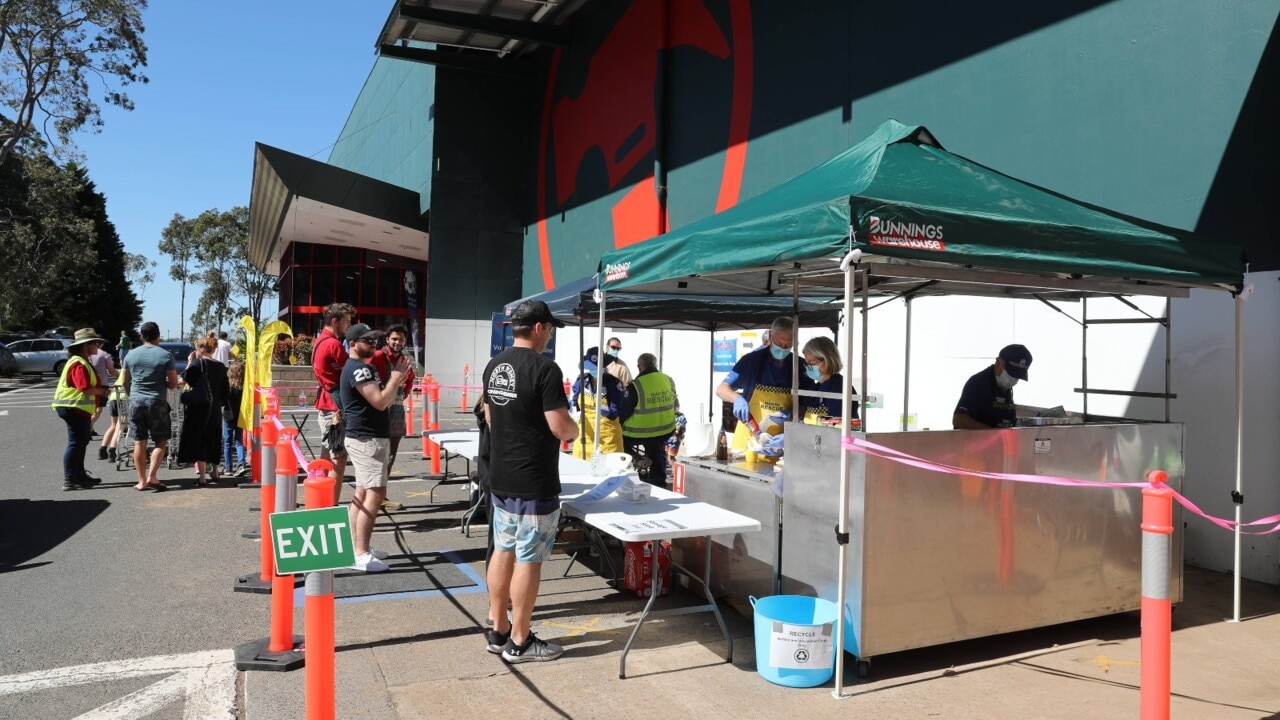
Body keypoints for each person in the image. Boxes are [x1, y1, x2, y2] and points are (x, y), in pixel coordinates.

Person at [482, 300, 577, 663]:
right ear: (539, 327)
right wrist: (575, 428)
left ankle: (499, 629)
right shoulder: (545, 369)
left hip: (502, 475)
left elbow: (490, 415)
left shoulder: (495, 365)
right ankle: (520, 641)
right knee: (529, 559)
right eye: (550, 328)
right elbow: (560, 427)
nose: (549, 335)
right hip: (534, 479)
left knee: (504, 549)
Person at [340, 323, 409, 573]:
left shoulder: (363, 368)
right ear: (352, 344)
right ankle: (360, 552)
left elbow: (385, 400)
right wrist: (395, 378)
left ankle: (356, 546)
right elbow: (380, 402)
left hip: (368, 437)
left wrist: (394, 382)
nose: (372, 344)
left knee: (362, 492)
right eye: (366, 341)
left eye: (373, 341)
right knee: (375, 494)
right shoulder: (360, 370)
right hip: (367, 439)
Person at [715, 316, 795, 450]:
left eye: (788, 345)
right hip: (749, 439)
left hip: (781, 443)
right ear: (770, 336)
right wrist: (737, 398)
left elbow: (807, 403)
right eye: (779, 343)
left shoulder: (798, 365)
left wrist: (792, 414)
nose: (783, 349)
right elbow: (721, 389)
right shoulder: (751, 361)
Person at [121, 321, 180, 491]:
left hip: (136, 400)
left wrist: (132, 393)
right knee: (161, 441)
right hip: (156, 401)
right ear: (158, 336)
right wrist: (165, 384)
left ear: (141, 336)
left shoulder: (130, 355)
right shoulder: (165, 355)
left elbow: (125, 380)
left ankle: (141, 481)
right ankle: (152, 476)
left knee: (139, 442)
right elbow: (173, 383)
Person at [51, 329, 110, 490]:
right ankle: (70, 479)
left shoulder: (82, 361)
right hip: (73, 407)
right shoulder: (78, 363)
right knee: (76, 443)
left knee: (81, 441)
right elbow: (84, 388)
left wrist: (101, 389)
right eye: (95, 343)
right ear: (86, 346)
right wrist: (103, 391)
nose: (98, 345)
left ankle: (79, 475)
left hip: (77, 408)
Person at [313, 302, 354, 505]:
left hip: (327, 405)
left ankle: (321, 502)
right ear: (335, 321)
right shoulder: (333, 344)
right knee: (338, 458)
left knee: (326, 457)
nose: (349, 325)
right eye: (347, 321)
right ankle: (331, 505)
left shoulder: (321, 341)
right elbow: (350, 372)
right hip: (334, 409)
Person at [177, 336, 229, 486]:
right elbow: (225, 390)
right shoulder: (221, 366)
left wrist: (188, 362)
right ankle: (216, 471)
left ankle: (202, 478)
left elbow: (186, 377)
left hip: (200, 407)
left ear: (201, 348)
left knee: (201, 439)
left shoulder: (198, 363)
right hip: (215, 409)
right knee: (214, 437)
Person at [622, 353, 678, 486]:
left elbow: (624, 411)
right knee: (656, 447)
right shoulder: (668, 380)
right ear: (655, 365)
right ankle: (658, 479)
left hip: (639, 433)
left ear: (639, 367)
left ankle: (638, 458)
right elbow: (674, 403)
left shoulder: (635, 385)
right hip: (665, 430)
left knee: (616, 439)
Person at [569, 346, 632, 460]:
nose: (596, 369)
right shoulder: (581, 381)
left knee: (608, 470)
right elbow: (574, 401)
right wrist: (574, 413)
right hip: (585, 435)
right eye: (593, 367)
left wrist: (600, 408)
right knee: (582, 468)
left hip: (607, 436)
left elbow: (614, 411)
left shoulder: (613, 383)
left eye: (598, 367)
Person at [370, 323, 416, 475]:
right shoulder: (376, 357)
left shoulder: (406, 362)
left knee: (390, 457)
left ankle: (382, 495)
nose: (398, 342)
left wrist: (400, 396)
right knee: (375, 457)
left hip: (397, 414)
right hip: (377, 414)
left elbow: (409, 384)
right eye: (394, 339)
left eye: (401, 339)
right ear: (387, 339)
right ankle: (371, 495)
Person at [953, 344, 1033, 429]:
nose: (1013, 379)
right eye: (1011, 374)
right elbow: (959, 419)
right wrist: (990, 433)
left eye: (1017, 376)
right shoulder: (978, 383)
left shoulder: (1006, 389)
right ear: (998, 363)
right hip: (976, 440)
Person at [799, 336, 858, 424]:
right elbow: (803, 414)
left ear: (827, 360)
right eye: (807, 364)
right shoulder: (816, 387)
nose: (808, 367)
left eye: (812, 363)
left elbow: (839, 422)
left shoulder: (840, 387)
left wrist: (808, 423)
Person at [88, 341, 118, 441]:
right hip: (101, 384)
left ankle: (91, 428)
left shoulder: (84, 355)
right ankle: (89, 426)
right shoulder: (104, 355)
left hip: (88, 384)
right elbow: (112, 371)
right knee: (98, 409)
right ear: (100, 344)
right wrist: (121, 377)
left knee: (89, 408)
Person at [223, 361, 248, 476]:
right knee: (239, 442)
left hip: (228, 416)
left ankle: (228, 467)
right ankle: (241, 464)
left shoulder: (227, 387)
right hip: (240, 416)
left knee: (227, 442)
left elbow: (223, 401)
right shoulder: (244, 388)